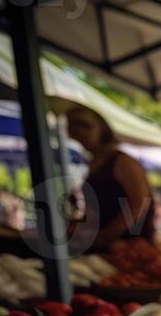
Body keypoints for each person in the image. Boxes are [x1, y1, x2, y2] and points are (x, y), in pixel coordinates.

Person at [64, 107, 156, 252]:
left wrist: (108, 236)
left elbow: (140, 202)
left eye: (85, 126)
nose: (79, 132)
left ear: (102, 128)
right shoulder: (96, 162)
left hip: (129, 246)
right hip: (108, 246)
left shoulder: (122, 161)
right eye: (73, 126)